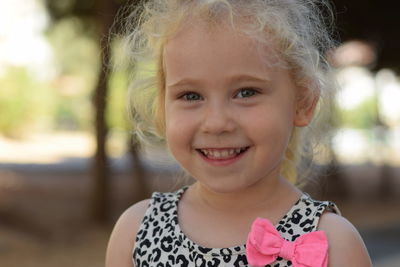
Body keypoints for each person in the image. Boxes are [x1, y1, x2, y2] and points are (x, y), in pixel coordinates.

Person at [106, 0, 372, 266]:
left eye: (246, 92)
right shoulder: (137, 231)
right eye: (190, 95)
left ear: (303, 102)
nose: (216, 123)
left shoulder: (332, 242)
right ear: (162, 108)